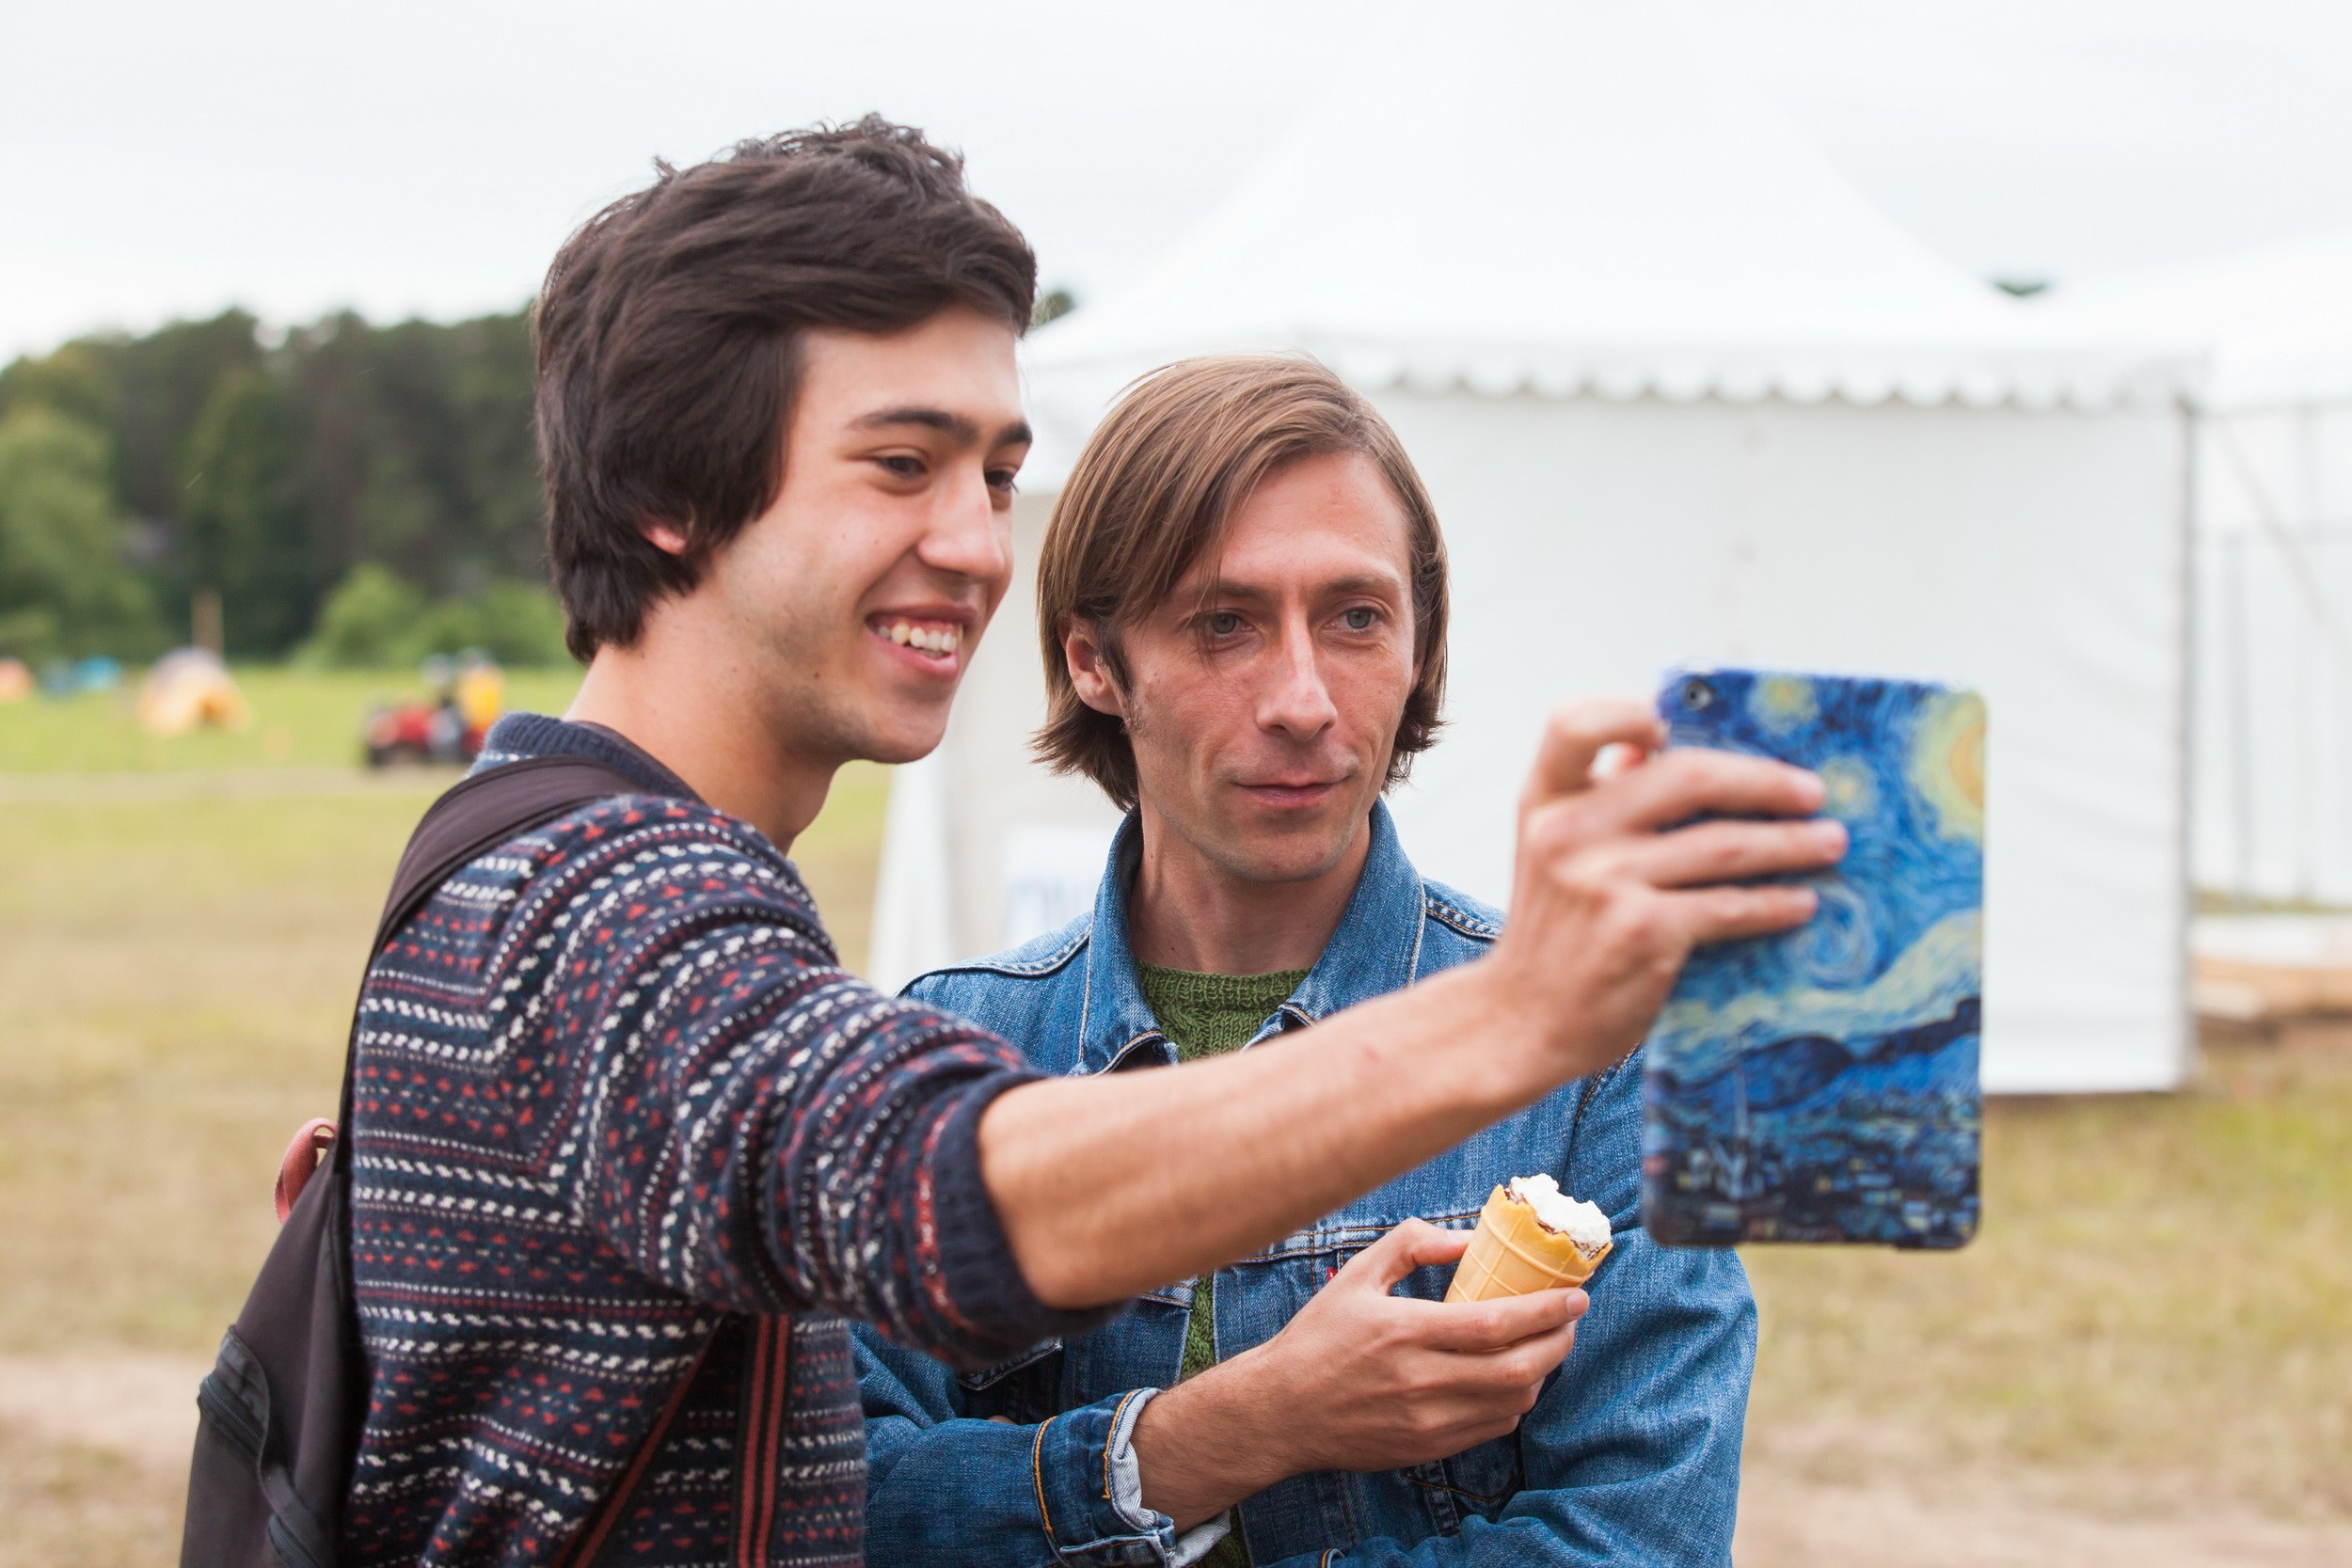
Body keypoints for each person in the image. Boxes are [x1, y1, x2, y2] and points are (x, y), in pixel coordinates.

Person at [342, 122, 1843, 1567]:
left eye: (995, 472)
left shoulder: (594, 897)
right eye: (899, 462)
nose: (978, 540)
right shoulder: (619, 916)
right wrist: (1510, 1030)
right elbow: (964, 1199)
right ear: (1094, 662)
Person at [852, 356, 1762, 1567]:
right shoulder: (949, 1051)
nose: (1301, 697)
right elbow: (840, 1510)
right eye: (1223, 621)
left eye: (1355, 617)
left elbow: (1635, 1543)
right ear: (1093, 661)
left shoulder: (1605, 1055)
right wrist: (1235, 1426)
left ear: (1419, 645)